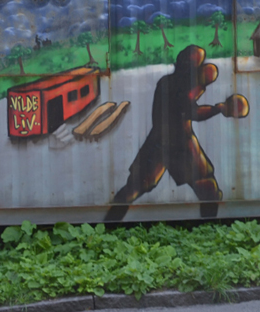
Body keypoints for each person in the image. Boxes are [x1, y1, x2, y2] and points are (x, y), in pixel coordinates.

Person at [105, 45, 249, 221]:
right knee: (138, 186)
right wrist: (218, 108)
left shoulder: (173, 83)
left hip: (169, 141)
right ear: (183, 63)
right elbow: (190, 112)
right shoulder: (174, 85)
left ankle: (108, 223)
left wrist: (204, 91)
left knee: (206, 188)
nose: (195, 69)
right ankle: (108, 223)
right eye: (194, 64)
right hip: (174, 142)